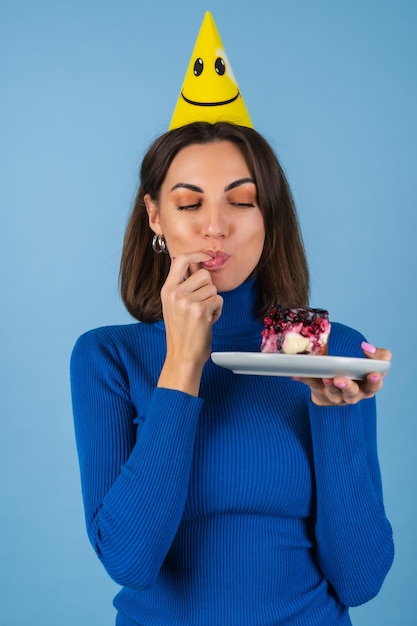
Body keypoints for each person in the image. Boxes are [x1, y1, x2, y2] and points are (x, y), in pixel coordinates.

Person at [70, 121, 394, 626]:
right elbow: (129, 563)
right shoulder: (108, 356)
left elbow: (360, 579)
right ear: (155, 216)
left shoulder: (330, 350)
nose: (215, 227)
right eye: (189, 203)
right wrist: (182, 362)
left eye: (241, 201)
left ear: (269, 215)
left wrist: (334, 413)